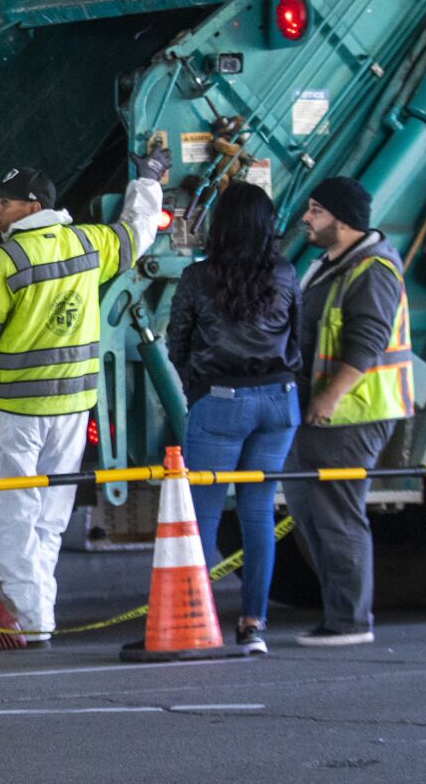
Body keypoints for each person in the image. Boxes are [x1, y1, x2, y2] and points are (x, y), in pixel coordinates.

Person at [0, 151, 167, 645]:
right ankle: (37, 607)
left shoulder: (7, 259)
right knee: (48, 514)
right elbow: (138, 230)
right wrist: (149, 181)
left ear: (29, 206)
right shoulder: (89, 243)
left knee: (9, 518)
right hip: (71, 409)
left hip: (17, 412)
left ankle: (33, 617)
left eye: (4, 202)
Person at [163, 181, 301, 654]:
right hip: (280, 401)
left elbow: (176, 341)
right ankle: (252, 624)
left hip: (220, 401)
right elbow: (297, 341)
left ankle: (194, 621)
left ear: (221, 225)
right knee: (258, 511)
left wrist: (196, 390)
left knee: (199, 514)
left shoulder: (199, 277)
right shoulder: (285, 273)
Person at [283, 176, 413, 648]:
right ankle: (337, 614)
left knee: (337, 515)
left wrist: (329, 397)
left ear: (342, 219)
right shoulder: (330, 264)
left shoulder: (373, 270)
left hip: (351, 414)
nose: (306, 218)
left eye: (315, 210)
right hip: (320, 414)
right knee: (312, 514)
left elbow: (368, 343)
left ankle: (351, 621)